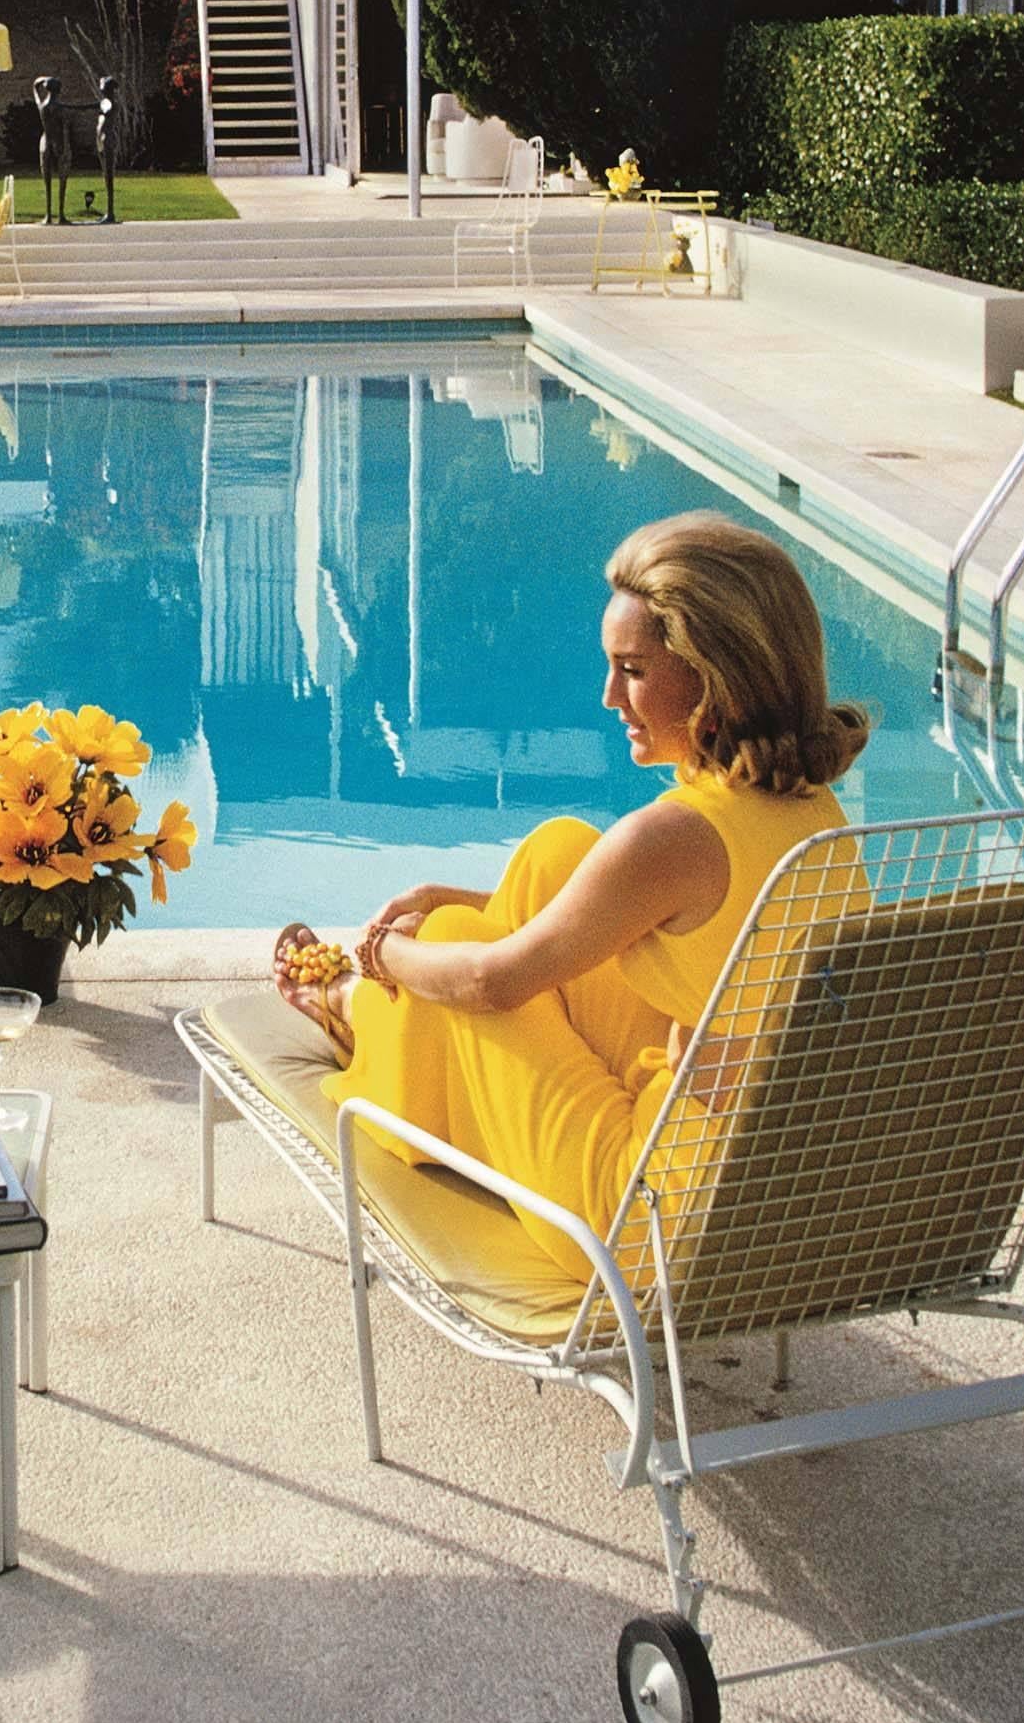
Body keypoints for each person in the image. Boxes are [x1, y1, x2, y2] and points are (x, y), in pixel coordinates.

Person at [270, 513, 865, 1284]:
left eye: (634, 670)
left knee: (456, 943)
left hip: (643, 1218)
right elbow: (621, 906)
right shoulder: (808, 811)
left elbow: (492, 982)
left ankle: (356, 1007)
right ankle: (401, 1033)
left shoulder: (675, 837)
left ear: (715, 676)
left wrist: (381, 953)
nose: (609, 695)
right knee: (558, 854)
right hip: (760, 1178)